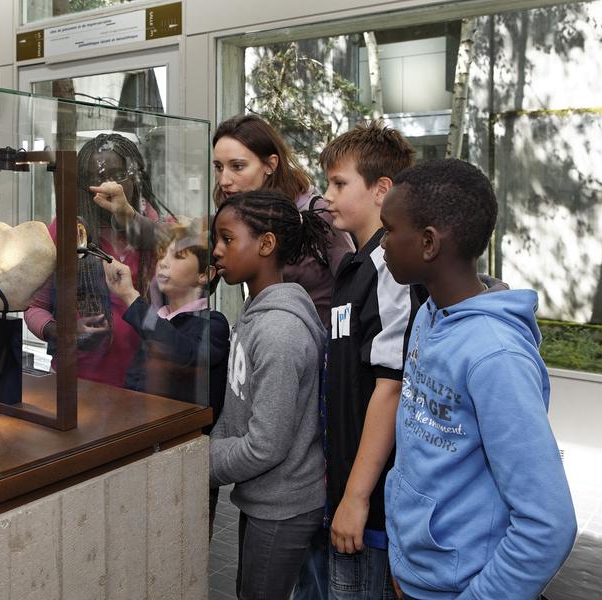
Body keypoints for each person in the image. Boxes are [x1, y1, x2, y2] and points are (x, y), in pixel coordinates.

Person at [379, 159, 576, 600]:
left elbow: (549, 524)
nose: (383, 244)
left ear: (428, 243)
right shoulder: (431, 316)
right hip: (417, 577)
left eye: (389, 230)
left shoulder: (495, 355)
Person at [298, 122, 422, 600]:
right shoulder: (354, 266)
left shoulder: (391, 269)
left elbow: (390, 387)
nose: (326, 195)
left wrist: (356, 496)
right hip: (347, 490)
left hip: (372, 505)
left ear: (381, 190)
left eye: (339, 183)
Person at [208, 189, 330, 600]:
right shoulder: (256, 315)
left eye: (227, 239)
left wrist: (199, 462)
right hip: (263, 497)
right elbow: (235, 409)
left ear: (265, 244)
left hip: (285, 504)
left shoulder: (279, 331)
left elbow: (266, 446)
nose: (217, 252)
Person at [25, 133, 170, 387]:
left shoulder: (159, 228)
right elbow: (34, 306)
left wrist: (129, 218)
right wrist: (62, 331)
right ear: (83, 185)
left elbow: (189, 257)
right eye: (98, 178)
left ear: (135, 178)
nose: (109, 186)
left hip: (148, 385)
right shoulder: (66, 230)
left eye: (117, 176)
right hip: (78, 382)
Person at [212, 113, 354, 327]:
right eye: (219, 167)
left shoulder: (318, 212)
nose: (224, 180)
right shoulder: (235, 213)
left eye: (237, 166)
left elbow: (352, 285)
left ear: (270, 164)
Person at [103, 220, 229, 408]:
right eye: (162, 255)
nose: (163, 263)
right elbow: (135, 381)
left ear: (204, 274)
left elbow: (183, 354)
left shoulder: (214, 324)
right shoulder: (159, 317)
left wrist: (130, 296)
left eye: (178, 256)